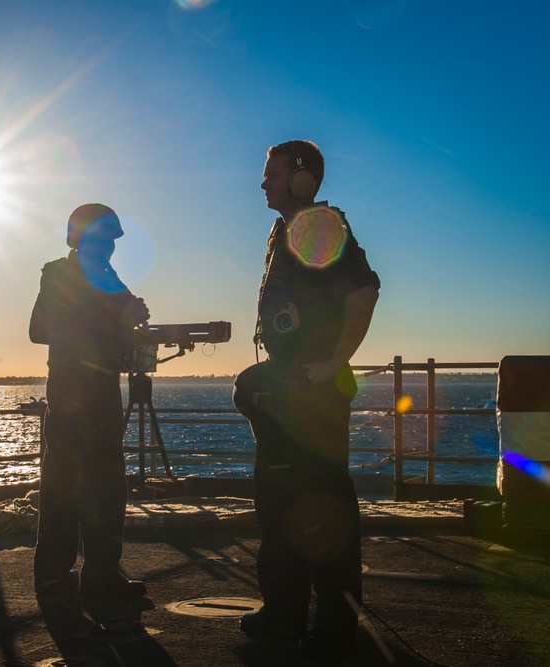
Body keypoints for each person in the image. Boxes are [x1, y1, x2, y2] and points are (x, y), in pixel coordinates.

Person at [233, 140, 380, 658]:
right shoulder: (287, 231)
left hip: (311, 395)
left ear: (300, 178)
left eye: (271, 173)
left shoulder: (318, 225)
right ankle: (283, 615)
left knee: (321, 510)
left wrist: (337, 362)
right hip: (287, 391)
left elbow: (362, 291)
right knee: (280, 508)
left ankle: (336, 626)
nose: (263, 182)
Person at [29, 203, 150, 601]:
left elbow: (39, 330)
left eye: (112, 243)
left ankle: (53, 575)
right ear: (86, 239)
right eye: (105, 240)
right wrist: (122, 316)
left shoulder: (84, 275)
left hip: (69, 385)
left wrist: (127, 316)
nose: (110, 249)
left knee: (62, 480)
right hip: (88, 389)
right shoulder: (70, 274)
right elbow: (75, 324)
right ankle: (99, 578)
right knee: (103, 484)